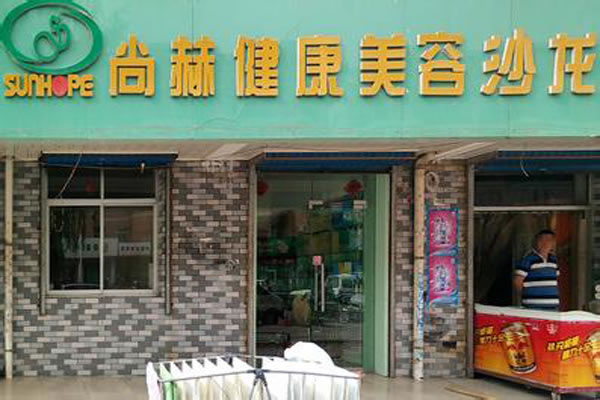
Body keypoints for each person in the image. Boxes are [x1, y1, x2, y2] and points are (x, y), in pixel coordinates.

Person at [513, 229, 559, 310]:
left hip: (552, 305)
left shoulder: (553, 260)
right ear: (536, 242)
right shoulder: (528, 259)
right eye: (541, 240)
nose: (545, 243)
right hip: (533, 305)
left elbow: (555, 279)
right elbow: (517, 281)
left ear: (553, 244)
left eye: (548, 240)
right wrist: (527, 296)